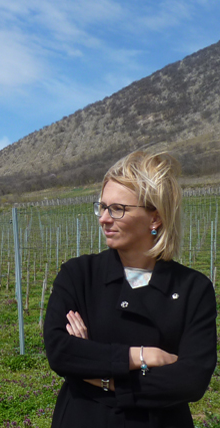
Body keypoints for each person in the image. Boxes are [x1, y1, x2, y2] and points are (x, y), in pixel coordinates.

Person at [43, 151, 217, 427]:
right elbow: (60, 351)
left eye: (117, 209)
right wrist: (143, 356)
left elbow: (191, 380)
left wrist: (101, 376)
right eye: (101, 206)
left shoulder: (193, 289)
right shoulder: (78, 275)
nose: (103, 218)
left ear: (155, 218)